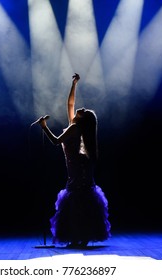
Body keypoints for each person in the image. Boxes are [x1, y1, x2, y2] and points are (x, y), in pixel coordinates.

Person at [37, 73, 111, 248]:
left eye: (85, 112)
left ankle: (80, 238)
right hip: (79, 171)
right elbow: (70, 103)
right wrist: (74, 84)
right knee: (80, 202)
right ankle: (80, 238)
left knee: (77, 203)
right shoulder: (76, 126)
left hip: (77, 172)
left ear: (83, 120)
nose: (82, 108)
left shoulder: (75, 127)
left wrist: (44, 127)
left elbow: (56, 141)